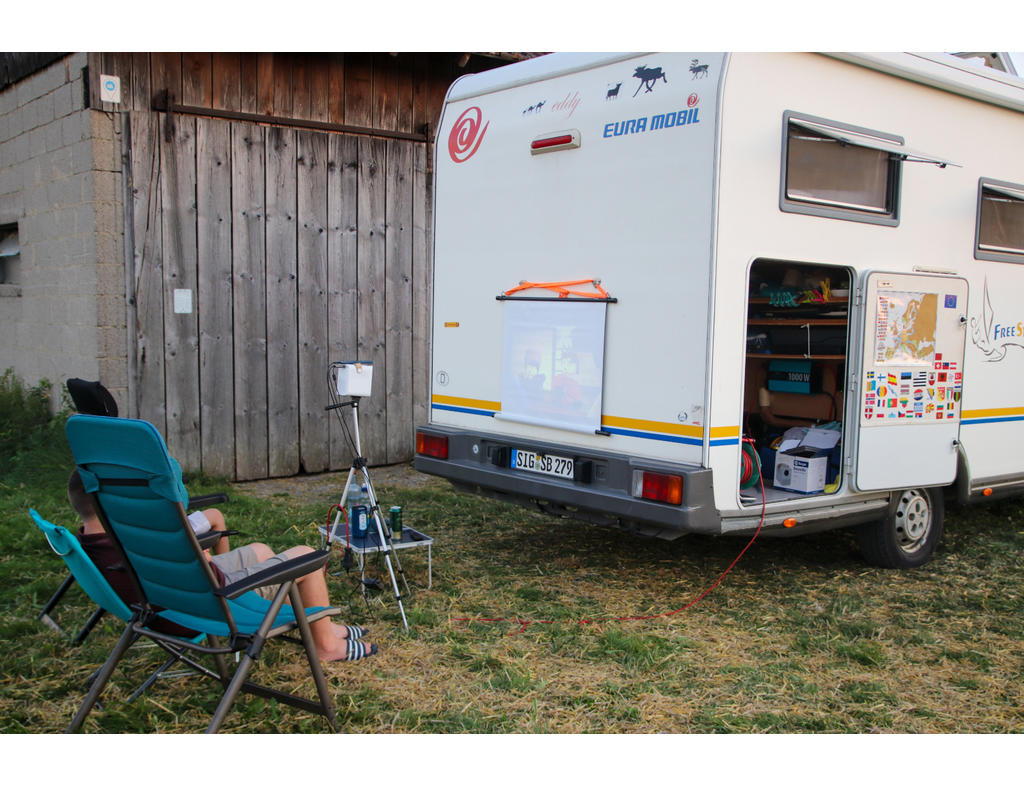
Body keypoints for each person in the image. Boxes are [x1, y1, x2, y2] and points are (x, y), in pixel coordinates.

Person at [67, 470, 376, 662]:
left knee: (261, 550)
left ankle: (319, 626)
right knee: (306, 558)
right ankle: (325, 646)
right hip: (212, 604)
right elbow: (194, 565)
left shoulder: (97, 543)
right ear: (109, 501)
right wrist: (196, 557)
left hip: (179, 599)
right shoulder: (138, 542)